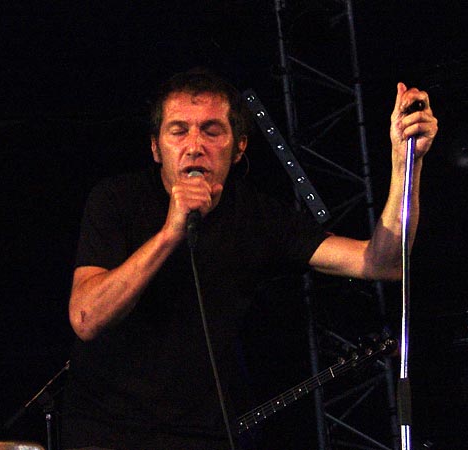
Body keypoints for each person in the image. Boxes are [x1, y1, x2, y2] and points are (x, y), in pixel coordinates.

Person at [60, 69, 438, 450]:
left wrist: (406, 163)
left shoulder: (259, 216)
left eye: (211, 131)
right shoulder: (116, 200)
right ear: (156, 148)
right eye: (178, 131)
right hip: (105, 433)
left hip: (208, 436)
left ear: (239, 147)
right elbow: (86, 318)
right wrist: (170, 234)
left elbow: (382, 262)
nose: (194, 146)